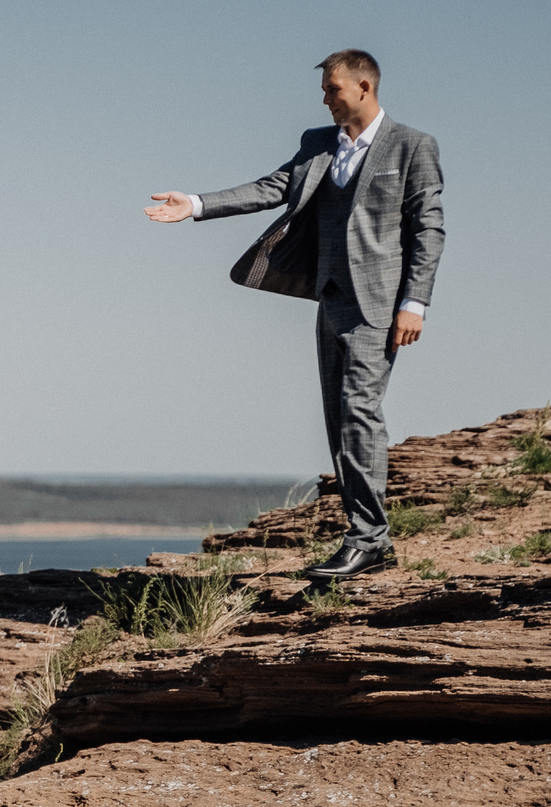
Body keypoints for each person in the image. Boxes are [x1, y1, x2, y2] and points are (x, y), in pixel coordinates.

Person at [144, 50, 446, 580]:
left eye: (333, 89)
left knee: (358, 411)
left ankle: (369, 540)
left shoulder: (412, 146)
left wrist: (414, 303)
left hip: (378, 305)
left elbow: (429, 228)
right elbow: (273, 187)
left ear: (364, 86)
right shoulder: (317, 144)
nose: (325, 99)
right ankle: (369, 537)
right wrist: (194, 203)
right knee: (339, 419)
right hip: (329, 299)